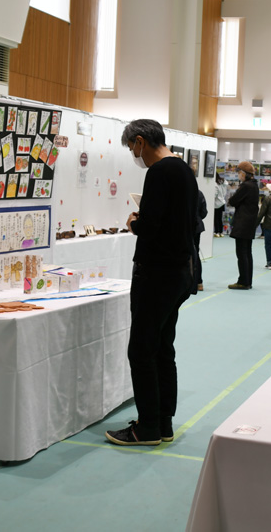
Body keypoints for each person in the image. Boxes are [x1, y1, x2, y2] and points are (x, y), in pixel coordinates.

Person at [106, 119, 197, 447]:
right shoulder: (184, 170)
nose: (135, 155)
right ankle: (163, 423)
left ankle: (146, 428)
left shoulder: (158, 172)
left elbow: (152, 225)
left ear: (141, 141)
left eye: (132, 148)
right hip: (177, 273)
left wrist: (135, 223)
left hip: (156, 273)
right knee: (162, 349)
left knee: (141, 351)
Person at [228, 161, 259, 290]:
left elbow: (233, 201)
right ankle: (247, 281)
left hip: (242, 224)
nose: (238, 175)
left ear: (244, 174)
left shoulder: (246, 186)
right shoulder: (254, 186)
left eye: (239, 173)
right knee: (247, 253)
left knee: (241, 254)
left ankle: (243, 281)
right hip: (250, 224)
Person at [194, 190, 207, 291]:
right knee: (195, 253)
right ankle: (198, 282)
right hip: (197, 226)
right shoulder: (199, 193)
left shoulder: (179, 191)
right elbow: (204, 212)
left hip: (185, 227)